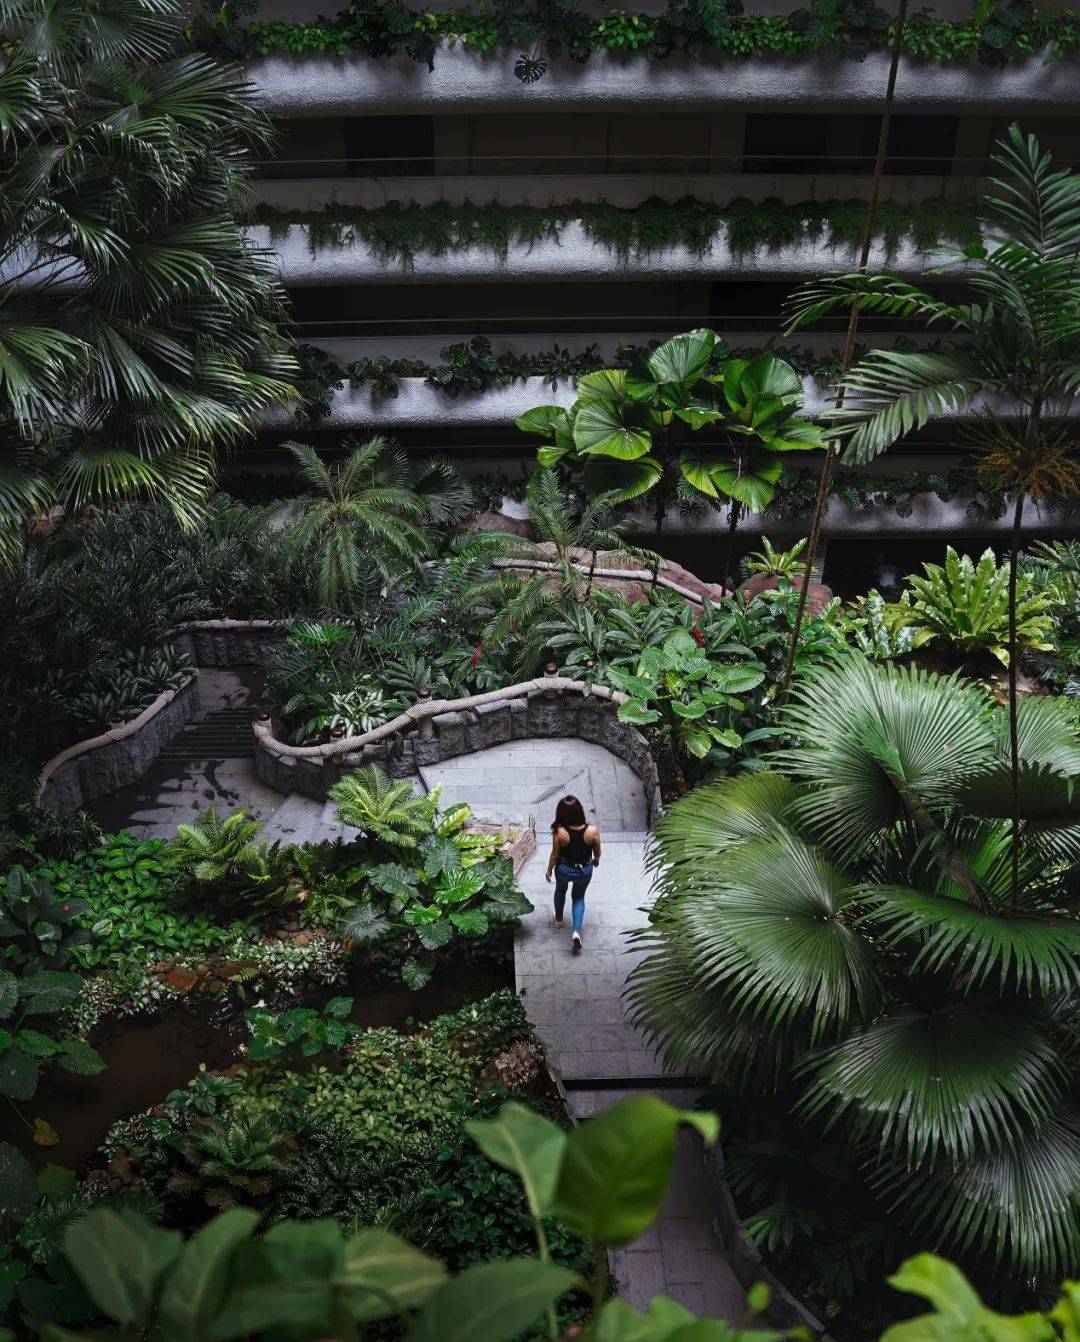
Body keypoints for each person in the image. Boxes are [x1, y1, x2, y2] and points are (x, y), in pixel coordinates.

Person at [545, 794, 601, 954]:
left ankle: (558, 919)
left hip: (564, 869)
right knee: (578, 897)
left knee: (560, 890)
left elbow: (555, 854)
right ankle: (576, 932)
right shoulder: (592, 831)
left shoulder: (560, 832)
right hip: (584, 870)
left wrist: (549, 870)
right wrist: (596, 860)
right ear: (580, 812)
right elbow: (597, 852)